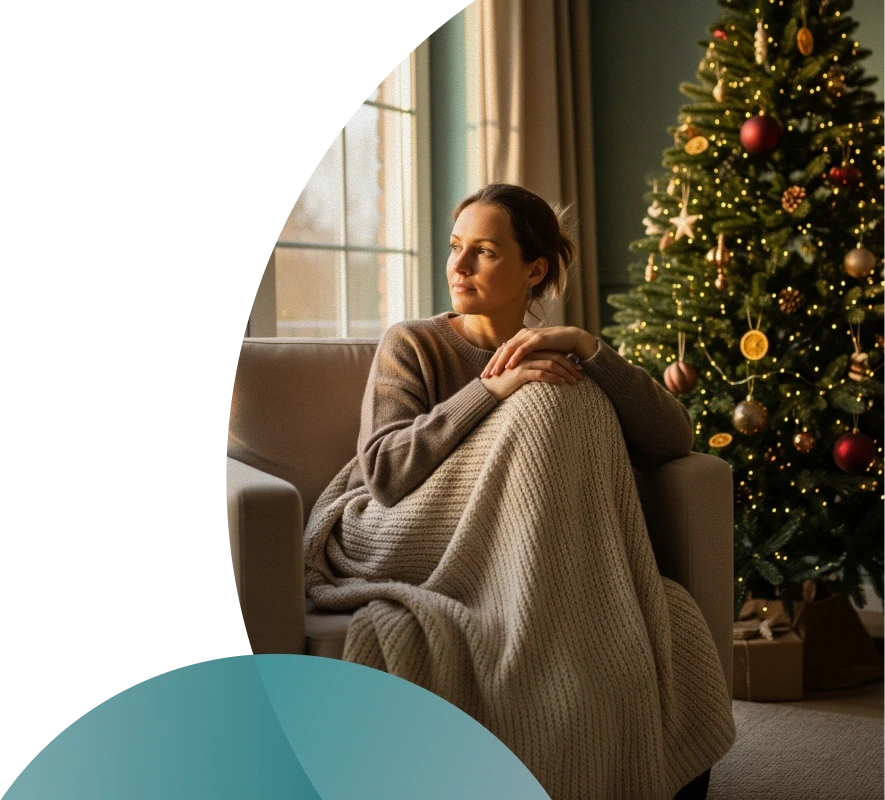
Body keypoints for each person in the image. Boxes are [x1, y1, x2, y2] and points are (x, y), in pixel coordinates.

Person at [339, 182, 715, 798]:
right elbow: (384, 473)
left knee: (670, 612)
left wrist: (591, 350)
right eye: (456, 246)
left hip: (534, 548)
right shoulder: (413, 343)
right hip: (396, 529)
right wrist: (493, 391)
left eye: (483, 251)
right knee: (545, 396)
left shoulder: (559, 355)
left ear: (533, 268)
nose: (457, 266)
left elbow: (673, 438)